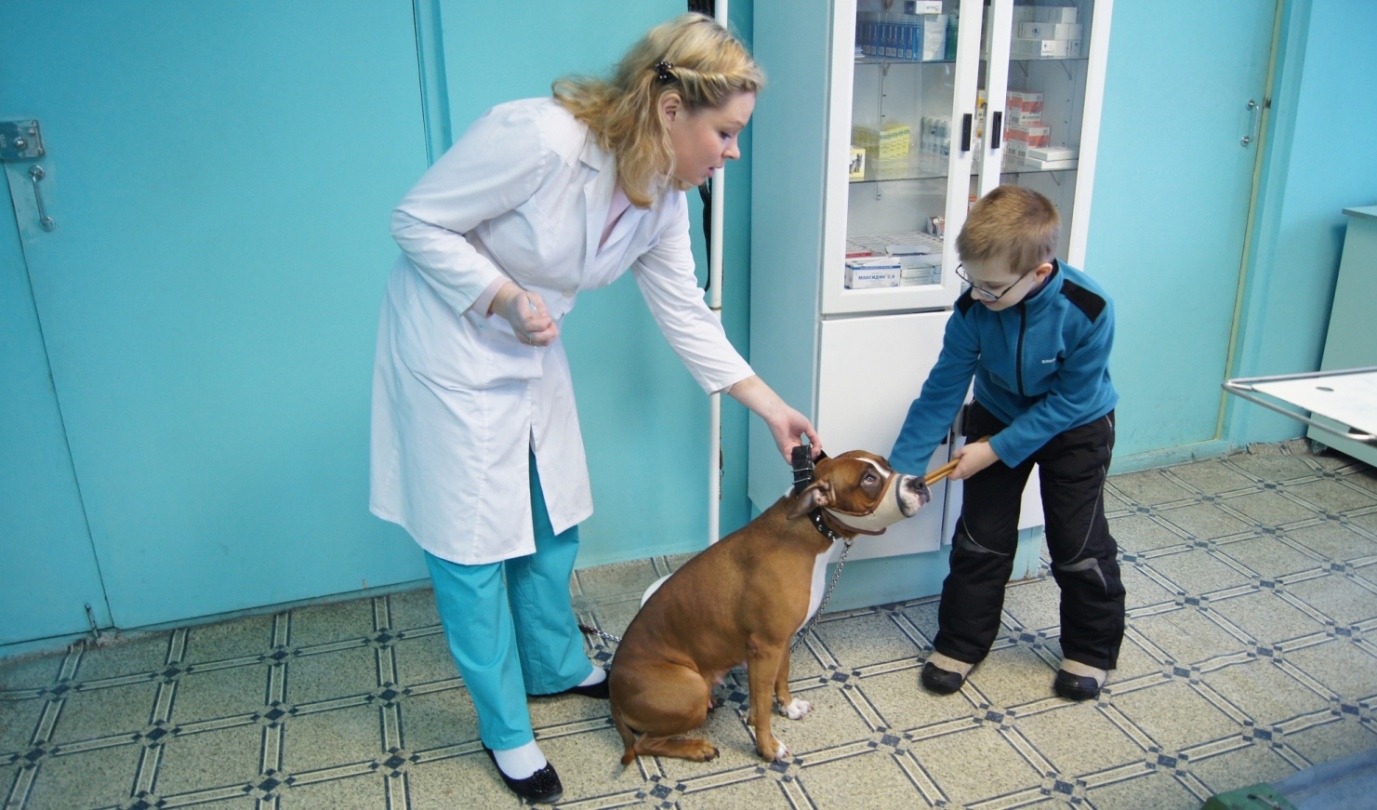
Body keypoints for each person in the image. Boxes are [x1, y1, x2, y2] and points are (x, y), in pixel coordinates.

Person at [368, 13, 820, 804]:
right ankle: (505, 729)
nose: (732, 152)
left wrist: (769, 406)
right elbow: (415, 218)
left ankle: (553, 664)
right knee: (471, 554)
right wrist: (500, 296)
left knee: (551, 521)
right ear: (670, 109)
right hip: (451, 352)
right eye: (726, 132)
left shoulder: (661, 198)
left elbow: (685, 313)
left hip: (531, 349)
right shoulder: (538, 137)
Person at [888, 185, 1122, 703]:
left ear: (1040, 272)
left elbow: (1068, 402)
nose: (978, 295)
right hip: (997, 413)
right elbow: (942, 391)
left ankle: (1091, 650)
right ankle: (961, 643)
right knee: (981, 538)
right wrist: (899, 473)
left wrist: (993, 450)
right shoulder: (974, 309)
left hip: (1076, 425)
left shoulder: (1089, 310)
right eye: (971, 281)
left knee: (1077, 543)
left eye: (992, 287)